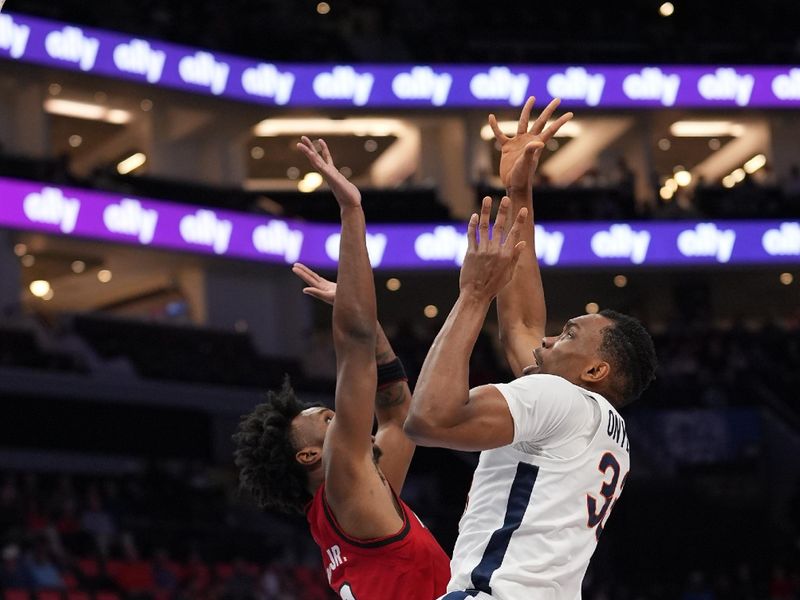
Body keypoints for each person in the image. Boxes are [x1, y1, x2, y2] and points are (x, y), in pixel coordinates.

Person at [404, 97, 658, 600]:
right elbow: (520, 323)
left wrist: (474, 295)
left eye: (567, 336)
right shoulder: (603, 427)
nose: (546, 339)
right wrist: (519, 191)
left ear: (594, 369)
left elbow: (429, 419)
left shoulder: (559, 401)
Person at [233, 137, 450, 600]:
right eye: (330, 421)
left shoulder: (357, 497)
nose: (347, 421)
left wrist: (366, 317)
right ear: (312, 456)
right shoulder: (344, 482)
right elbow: (353, 345)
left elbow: (396, 415)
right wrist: (352, 212)